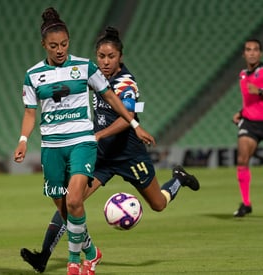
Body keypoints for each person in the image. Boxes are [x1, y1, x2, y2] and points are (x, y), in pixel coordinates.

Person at [19, 26, 200, 274]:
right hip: (101, 155)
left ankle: (178, 180)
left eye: (110, 57)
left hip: (128, 154)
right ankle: (45, 256)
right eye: (101, 57)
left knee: (158, 204)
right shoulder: (93, 76)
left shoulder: (126, 83)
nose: (105, 62)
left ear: (120, 58)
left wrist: (98, 134)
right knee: (73, 200)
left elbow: (128, 118)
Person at [13, 9, 155, 275]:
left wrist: (135, 124)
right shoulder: (33, 75)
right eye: (53, 46)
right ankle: (91, 251)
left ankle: (74, 263)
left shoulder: (85, 67)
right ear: (44, 45)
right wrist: (23, 140)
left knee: (75, 200)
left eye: (64, 44)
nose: (59, 50)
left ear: (69, 42)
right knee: (65, 207)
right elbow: (31, 112)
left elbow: (111, 96)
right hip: (52, 147)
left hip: (82, 142)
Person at [232, 38, 263, 217]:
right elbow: (250, 102)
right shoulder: (242, 75)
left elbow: (256, 95)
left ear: (260, 53)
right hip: (250, 123)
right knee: (242, 160)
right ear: (244, 54)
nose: (252, 52)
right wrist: (241, 113)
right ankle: (246, 203)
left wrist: (259, 91)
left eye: (255, 49)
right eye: (248, 50)